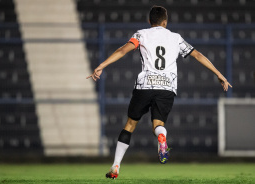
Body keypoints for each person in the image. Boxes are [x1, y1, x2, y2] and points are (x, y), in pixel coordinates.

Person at [86, 5, 232, 179]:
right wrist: (219, 74)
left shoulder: (141, 34)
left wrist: (102, 65)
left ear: (149, 21)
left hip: (145, 85)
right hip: (167, 87)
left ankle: (115, 166)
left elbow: (123, 50)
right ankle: (162, 137)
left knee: (130, 125)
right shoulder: (176, 38)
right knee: (158, 124)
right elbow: (198, 55)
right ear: (165, 22)